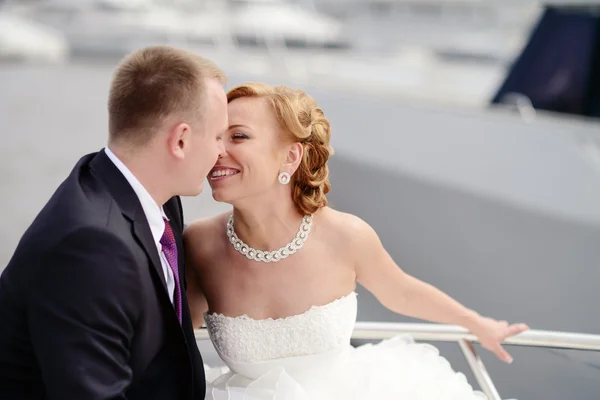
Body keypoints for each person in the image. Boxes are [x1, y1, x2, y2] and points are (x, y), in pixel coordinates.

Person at [184, 82, 529, 399]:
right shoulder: (200, 244)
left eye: (238, 137)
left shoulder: (346, 236)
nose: (217, 151)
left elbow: (402, 291)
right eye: (216, 137)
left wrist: (477, 325)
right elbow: (173, 329)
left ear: (290, 156)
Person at [0, 46, 228, 400]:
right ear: (181, 140)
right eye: (217, 137)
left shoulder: (155, 196)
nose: (221, 153)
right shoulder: (90, 247)